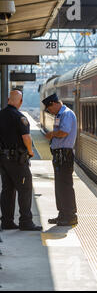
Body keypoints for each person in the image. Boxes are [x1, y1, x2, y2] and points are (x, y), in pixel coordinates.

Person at [0, 90, 42, 231]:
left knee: (7, 190)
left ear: (7, 99)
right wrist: (30, 152)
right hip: (17, 160)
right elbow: (26, 138)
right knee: (25, 188)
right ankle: (25, 221)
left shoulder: (0, 115)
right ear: (21, 101)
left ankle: (6, 221)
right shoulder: (20, 117)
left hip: (3, 160)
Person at [42, 93, 78, 226]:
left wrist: (52, 134)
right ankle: (62, 214)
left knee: (65, 186)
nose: (49, 111)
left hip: (64, 154)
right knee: (60, 186)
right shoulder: (59, 115)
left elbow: (64, 132)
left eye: (49, 108)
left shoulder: (67, 114)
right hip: (59, 154)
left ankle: (70, 216)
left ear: (54, 103)